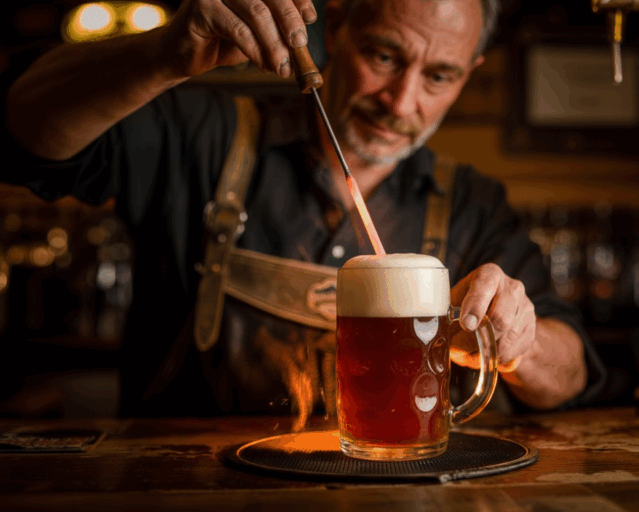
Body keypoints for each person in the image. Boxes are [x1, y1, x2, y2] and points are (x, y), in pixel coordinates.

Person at [2, 0, 606, 422]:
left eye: (440, 76)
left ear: (469, 74)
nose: (402, 101)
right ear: (336, 26)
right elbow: (23, 136)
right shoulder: (204, 134)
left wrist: (520, 342)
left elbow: (573, 372)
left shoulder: (474, 203)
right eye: (386, 56)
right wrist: (163, 53)